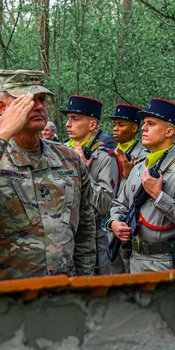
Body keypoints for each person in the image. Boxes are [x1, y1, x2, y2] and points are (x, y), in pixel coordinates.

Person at [0, 70, 96, 282]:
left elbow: (85, 232)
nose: (39, 106)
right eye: (27, 100)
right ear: (2, 108)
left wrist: (85, 287)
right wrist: (2, 133)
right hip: (7, 303)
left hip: (62, 299)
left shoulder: (69, 160)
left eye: (41, 99)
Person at [109, 99, 175, 272]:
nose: (143, 128)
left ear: (169, 131)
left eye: (151, 124)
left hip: (167, 262)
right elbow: (119, 204)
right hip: (135, 259)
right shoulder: (139, 167)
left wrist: (159, 196)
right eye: (144, 123)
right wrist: (115, 222)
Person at [62, 96, 118, 275]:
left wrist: (84, 172)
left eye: (75, 119)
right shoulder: (58, 152)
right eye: (68, 119)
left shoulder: (105, 158)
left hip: (90, 238)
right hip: (60, 237)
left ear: (93, 125)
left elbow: (104, 204)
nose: (67, 124)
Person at [109, 103, 147, 272]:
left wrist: (127, 175)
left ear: (134, 128)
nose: (115, 129)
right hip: (112, 224)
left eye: (121, 124)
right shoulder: (109, 153)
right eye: (114, 124)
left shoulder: (144, 156)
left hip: (131, 228)